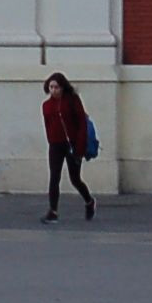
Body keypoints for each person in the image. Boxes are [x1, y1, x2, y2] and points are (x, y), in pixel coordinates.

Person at [40, 72, 95, 223]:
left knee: (75, 178)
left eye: (56, 87)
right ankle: (53, 211)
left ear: (63, 87)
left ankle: (89, 201)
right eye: (51, 87)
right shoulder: (46, 106)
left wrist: (80, 147)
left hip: (72, 144)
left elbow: (82, 124)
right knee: (54, 177)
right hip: (56, 145)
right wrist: (51, 141)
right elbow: (48, 126)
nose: (53, 90)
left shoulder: (72, 100)